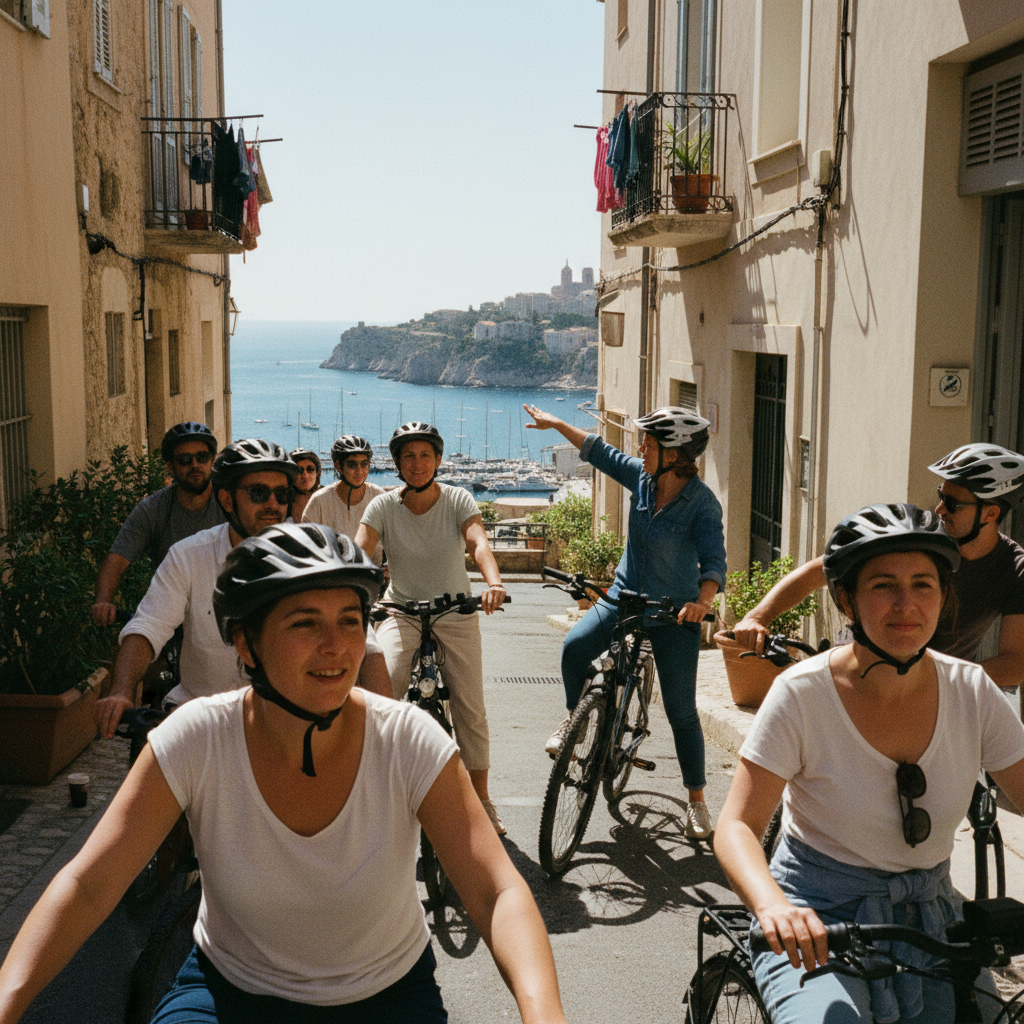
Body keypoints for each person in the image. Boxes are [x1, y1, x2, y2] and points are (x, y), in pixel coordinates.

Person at [0, 524, 568, 1024]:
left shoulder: (407, 739)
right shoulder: (197, 737)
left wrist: (543, 1013)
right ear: (245, 644)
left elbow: (494, 892)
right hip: (229, 992)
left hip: (386, 996)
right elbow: (89, 884)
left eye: (351, 620)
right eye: (305, 623)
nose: (336, 646)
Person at [714, 502, 1024, 1024]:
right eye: (883, 585)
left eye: (924, 584)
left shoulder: (971, 690)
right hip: (818, 917)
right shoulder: (802, 693)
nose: (906, 604)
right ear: (847, 599)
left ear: (944, 595)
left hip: (932, 916)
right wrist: (774, 909)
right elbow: (738, 825)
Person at [93, 439, 391, 740]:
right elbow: (147, 627)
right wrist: (120, 692)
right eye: (259, 493)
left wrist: (387, 725)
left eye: (282, 494)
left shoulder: (313, 558)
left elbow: (368, 647)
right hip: (203, 723)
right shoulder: (189, 556)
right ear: (227, 500)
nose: (273, 505)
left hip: (292, 726)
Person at [524, 403, 727, 840]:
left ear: (673, 453)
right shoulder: (642, 477)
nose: (640, 448)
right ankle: (576, 721)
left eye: (649, 443)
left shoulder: (702, 505)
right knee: (575, 648)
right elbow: (599, 451)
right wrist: (557, 423)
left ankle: (697, 800)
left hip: (673, 614)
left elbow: (713, 562)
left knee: (681, 711)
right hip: (624, 598)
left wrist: (702, 602)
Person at [733, 443, 1024, 691]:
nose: (939, 509)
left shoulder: (1014, 569)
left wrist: (940, 679)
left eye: (952, 503)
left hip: (935, 693)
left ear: (991, 513)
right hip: (863, 677)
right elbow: (820, 570)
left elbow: (1015, 662)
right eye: (940, 495)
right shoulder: (919, 537)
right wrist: (757, 617)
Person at [354, 422, 508, 834]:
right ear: (398, 464)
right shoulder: (383, 507)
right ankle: (379, 788)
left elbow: (478, 544)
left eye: (425, 455)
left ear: (438, 460)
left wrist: (493, 583)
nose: (417, 463)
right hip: (400, 610)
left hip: (455, 611)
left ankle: (482, 799)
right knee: (384, 687)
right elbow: (359, 552)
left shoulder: (458, 499)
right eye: (408, 456)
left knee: (469, 707)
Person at [91, 421, 225, 627]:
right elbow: (116, 559)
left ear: (212, 461)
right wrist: (103, 601)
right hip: (173, 614)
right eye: (184, 459)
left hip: (224, 612)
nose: (195, 465)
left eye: (202, 457)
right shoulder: (153, 509)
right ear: (171, 466)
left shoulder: (229, 503)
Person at [302, 435, 385, 564]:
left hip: (374, 579)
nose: (359, 471)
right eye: (352, 465)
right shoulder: (319, 501)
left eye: (364, 464)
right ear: (338, 466)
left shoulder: (378, 496)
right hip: (332, 579)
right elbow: (306, 550)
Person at [289, 447, 323, 522]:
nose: (305, 476)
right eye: (299, 470)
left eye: (310, 469)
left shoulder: (327, 498)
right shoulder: (283, 500)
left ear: (317, 473)